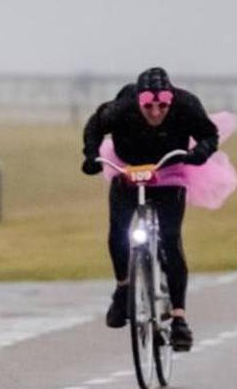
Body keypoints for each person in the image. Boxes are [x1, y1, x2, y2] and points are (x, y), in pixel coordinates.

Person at [80, 67, 219, 351]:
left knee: (170, 238)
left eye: (163, 106)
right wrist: (91, 156)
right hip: (128, 172)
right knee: (118, 232)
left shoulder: (187, 105)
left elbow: (209, 134)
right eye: (148, 106)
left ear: (172, 100)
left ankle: (179, 317)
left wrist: (201, 152)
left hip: (169, 173)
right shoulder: (122, 108)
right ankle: (122, 288)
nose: (156, 113)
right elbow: (94, 126)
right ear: (138, 101)